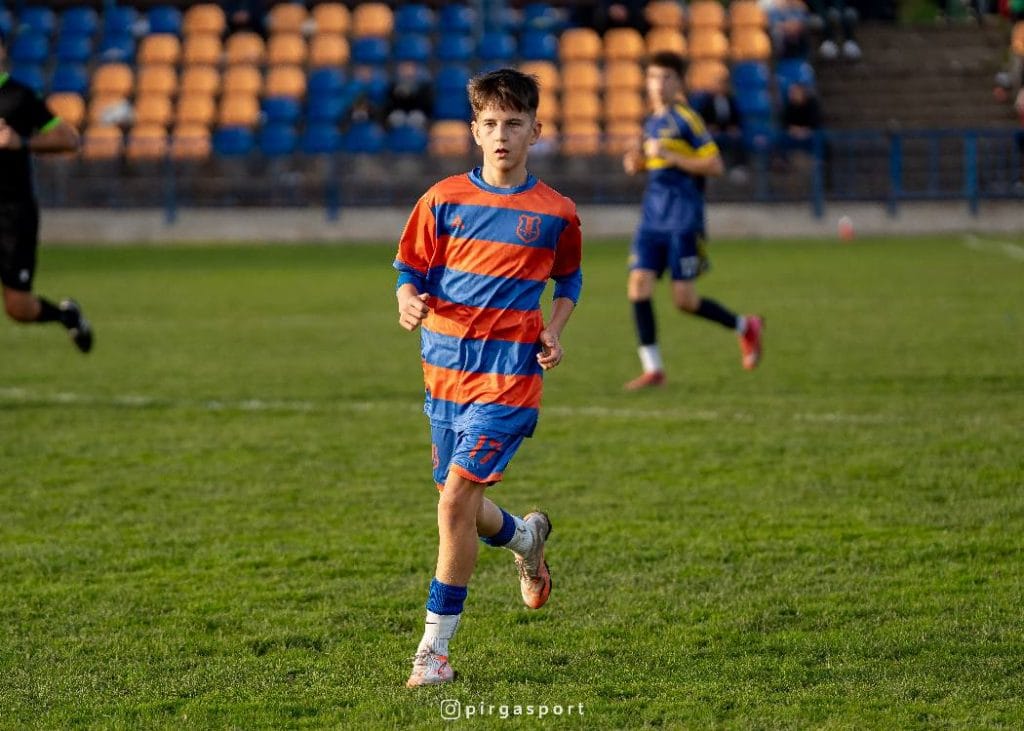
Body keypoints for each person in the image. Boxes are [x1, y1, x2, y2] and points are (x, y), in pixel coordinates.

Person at [393, 68, 582, 687]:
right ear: (474, 131)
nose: (502, 135)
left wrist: (554, 328)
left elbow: (569, 278)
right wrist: (407, 300)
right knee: (459, 503)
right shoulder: (442, 199)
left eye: (514, 124)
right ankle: (526, 539)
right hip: (444, 375)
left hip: (509, 380)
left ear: (535, 131)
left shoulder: (555, 213)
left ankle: (434, 653)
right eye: (491, 124)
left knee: (453, 503)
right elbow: (409, 268)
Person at [621, 51, 762, 390]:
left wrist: (671, 155)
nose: (659, 84)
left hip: (683, 218)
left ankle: (745, 326)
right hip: (652, 218)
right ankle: (654, 369)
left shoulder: (687, 119)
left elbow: (715, 165)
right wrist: (637, 162)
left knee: (684, 300)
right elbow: (649, 164)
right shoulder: (650, 121)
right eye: (653, 77)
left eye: (666, 77)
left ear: (679, 82)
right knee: (638, 286)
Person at [0, 31, 92, 353]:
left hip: (12, 213)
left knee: (18, 307)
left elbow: (69, 139)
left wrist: (21, 143)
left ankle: (66, 316)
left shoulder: (18, 97)